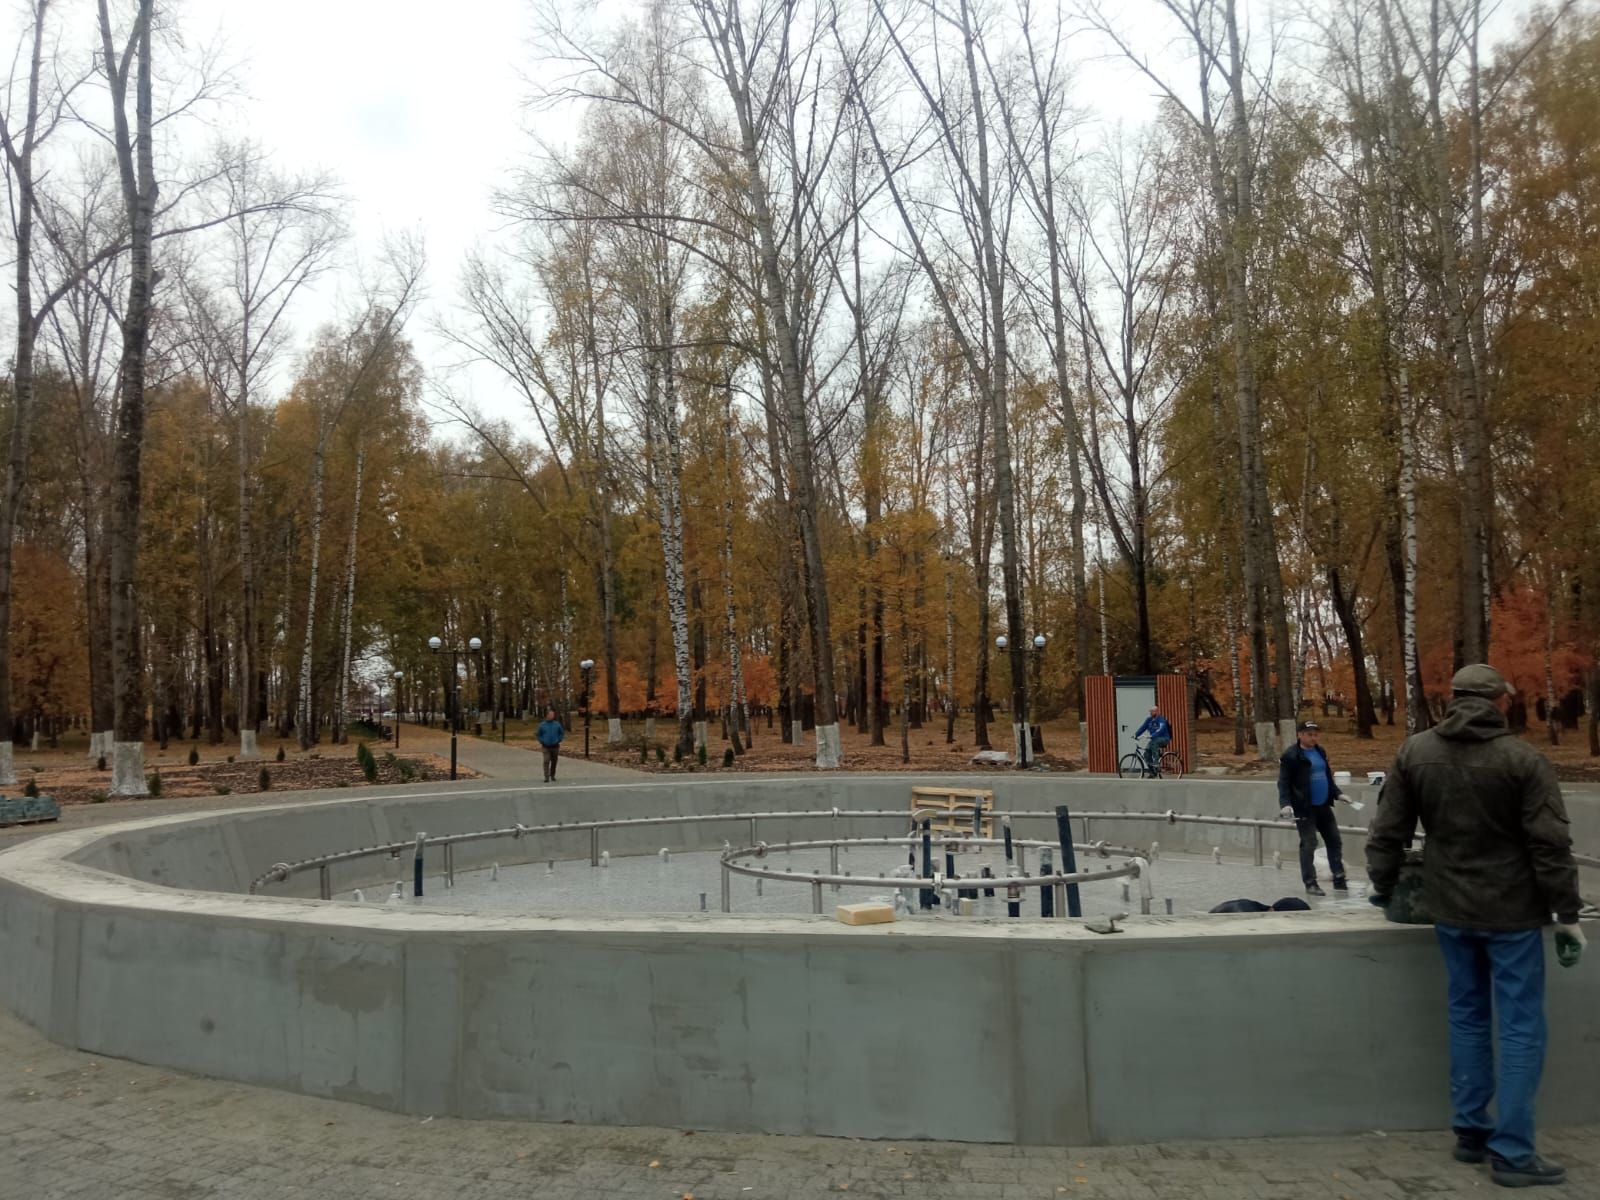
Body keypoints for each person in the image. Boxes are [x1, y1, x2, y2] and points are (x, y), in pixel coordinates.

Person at [1367, 664, 1586, 1189]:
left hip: (1449, 909)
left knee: (1466, 1016)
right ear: (1499, 702)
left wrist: (1384, 885)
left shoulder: (1416, 752)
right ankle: (1513, 1153)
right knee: (1520, 1027)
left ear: (1454, 698)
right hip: (1512, 914)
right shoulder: (1522, 759)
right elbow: (1550, 845)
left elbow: (1387, 831)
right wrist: (1568, 915)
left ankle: (1471, 1132)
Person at [1277, 720, 1347, 896]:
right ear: (1300, 735)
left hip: (1323, 804)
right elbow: (1283, 782)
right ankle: (1310, 882)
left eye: (1316, 734)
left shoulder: (1320, 751)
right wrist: (1285, 804)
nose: (1313, 738)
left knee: (1334, 840)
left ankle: (1339, 877)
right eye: (1309, 734)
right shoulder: (1291, 756)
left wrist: (1338, 794)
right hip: (1304, 807)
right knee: (1309, 844)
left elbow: (1327, 777)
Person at [1132, 706, 1172, 772]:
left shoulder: (1161, 719)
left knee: (1154, 743)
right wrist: (1136, 734)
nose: (1151, 713)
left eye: (1152, 711)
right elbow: (1143, 727)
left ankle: (1156, 763)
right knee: (1146, 754)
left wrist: (1152, 735)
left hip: (1164, 738)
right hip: (1154, 739)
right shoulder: (1149, 720)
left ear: (1157, 712)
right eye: (1150, 711)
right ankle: (1153, 772)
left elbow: (1161, 729)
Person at [536, 709, 565, 782]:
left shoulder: (557, 724)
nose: (552, 716)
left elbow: (561, 733)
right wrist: (542, 741)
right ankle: (546, 776)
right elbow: (538, 734)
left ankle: (552, 775)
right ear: (547, 715)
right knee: (546, 760)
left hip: (555, 746)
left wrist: (559, 739)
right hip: (546, 746)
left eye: (553, 715)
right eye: (551, 715)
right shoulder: (542, 725)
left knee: (554, 761)